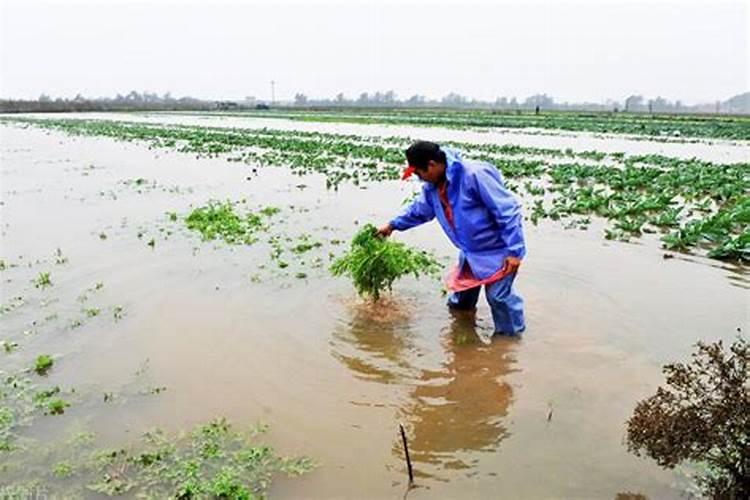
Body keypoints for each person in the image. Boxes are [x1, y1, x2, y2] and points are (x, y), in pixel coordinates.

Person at [377, 141, 526, 339]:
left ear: (431, 165)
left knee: (499, 298)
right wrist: (392, 225)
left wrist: (514, 252)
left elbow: (507, 211)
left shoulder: (474, 175)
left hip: (496, 250)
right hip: (470, 250)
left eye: (419, 173)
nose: (419, 179)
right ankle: (462, 330)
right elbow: (420, 211)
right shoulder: (433, 187)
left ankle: (509, 343)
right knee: (461, 301)